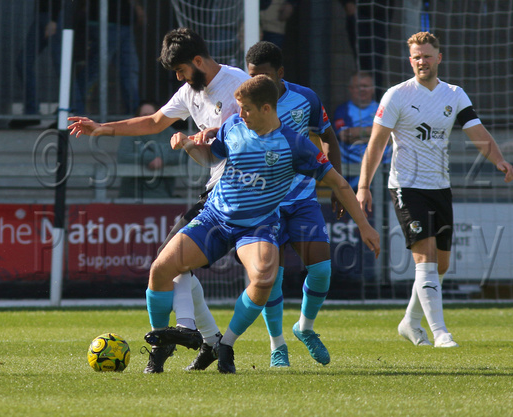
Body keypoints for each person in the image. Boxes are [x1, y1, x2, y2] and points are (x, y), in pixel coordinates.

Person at [155, 75, 379, 374]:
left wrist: (364, 226)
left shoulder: (295, 144)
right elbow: (212, 157)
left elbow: (338, 184)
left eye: (245, 108)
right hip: (215, 218)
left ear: (266, 108)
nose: (239, 113)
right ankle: (159, 348)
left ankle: (226, 344)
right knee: (161, 268)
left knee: (263, 278)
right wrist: (187, 146)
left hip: (257, 226)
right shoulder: (234, 126)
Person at [68, 27, 250, 373]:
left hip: (237, 192)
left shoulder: (237, 83)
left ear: (198, 60)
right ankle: (207, 342)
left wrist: (207, 137)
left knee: (169, 265)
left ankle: (174, 341)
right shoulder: (190, 91)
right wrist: (101, 128)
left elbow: (253, 128)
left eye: (181, 70)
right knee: (169, 265)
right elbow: (153, 122)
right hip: (216, 188)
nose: (180, 77)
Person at [356, 32, 513, 348]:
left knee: (440, 266)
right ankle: (441, 332)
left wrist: (499, 159)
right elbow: (376, 143)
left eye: (427, 56)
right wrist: (363, 186)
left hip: (440, 187)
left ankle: (410, 322)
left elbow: (477, 130)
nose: (421, 61)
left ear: (439, 58)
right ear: (410, 59)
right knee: (425, 260)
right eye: (416, 56)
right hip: (406, 186)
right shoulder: (396, 96)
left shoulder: (454, 94)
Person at [245, 41, 343, 368]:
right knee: (270, 275)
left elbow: (329, 139)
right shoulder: (244, 101)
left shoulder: (306, 99)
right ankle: (277, 346)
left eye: (264, 77)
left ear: (281, 74)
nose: (257, 83)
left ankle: (305, 327)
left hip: (301, 196)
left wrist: (339, 189)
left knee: (322, 269)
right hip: (263, 202)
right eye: (252, 76)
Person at [73, 0, 142, 114]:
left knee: (130, 71)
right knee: (95, 70)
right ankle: (74, 108)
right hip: (104, 21)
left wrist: (136, 7)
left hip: (124, 22)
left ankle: (136, 114)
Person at [334, 72, 391, 190]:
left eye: (366, 86)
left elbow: (390, 138)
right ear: (350, 89)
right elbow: (345, 136)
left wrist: (358, 133)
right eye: (358, 86)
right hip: (351, 168)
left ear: (373, 89)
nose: (362, 90)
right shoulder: (343, 110)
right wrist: (376, 135)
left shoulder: (383, 108)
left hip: (382, 167)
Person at [117, 101, 181, 199]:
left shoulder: (169, 133)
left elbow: (182, 155)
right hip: (132, 195)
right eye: (144, 115)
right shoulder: (130, 133)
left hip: (163, 194)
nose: (148, 117)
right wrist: (149, 159)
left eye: (151, 114)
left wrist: (163, 160)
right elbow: (123, 156)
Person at [15, 0, 62, 115]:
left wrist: (54, 19)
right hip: (43, 15)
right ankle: (31, 111)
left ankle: (71, 111)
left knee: (62, 67)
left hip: (54, 17)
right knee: (23, 62)